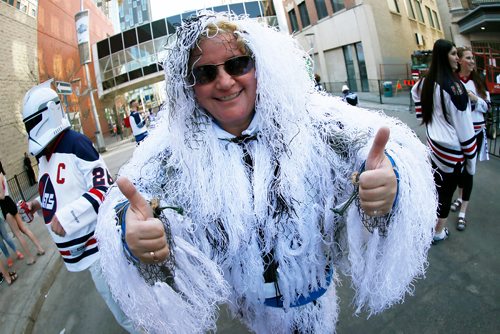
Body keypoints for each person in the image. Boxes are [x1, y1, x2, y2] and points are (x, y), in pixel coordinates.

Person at [96, 12, 436, 333]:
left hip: (316, 302)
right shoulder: (175, 153)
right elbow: (134, 201)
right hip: (251, 311)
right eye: (205, 73)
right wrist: (136, 236)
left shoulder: (310, 120)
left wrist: (390, 180)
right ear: (189, 87)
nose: (225, 81)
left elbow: (380, 148)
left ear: (259, 65)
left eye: (238, 64)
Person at [21, 83, 137, 333]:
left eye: (32, 123)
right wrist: (37, 205)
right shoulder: (44, 157)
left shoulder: (76, 143)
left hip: (101, 250)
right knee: (122, 311)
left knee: (129, 312)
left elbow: (103, 188)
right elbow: (59, 194)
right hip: (83, 252)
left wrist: (68, 218)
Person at [420, 39, 477, 243]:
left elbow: (417, 98)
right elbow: (465, 130)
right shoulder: (456, 88)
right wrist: (471, 161)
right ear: (445, 56)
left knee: (435, 189)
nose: (457, 58)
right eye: (454, 54)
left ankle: (429, 225)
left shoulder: (427, 80)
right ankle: (437, 232)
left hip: (433, 146)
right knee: (445, 194)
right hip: (451, 153)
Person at [449, 46, 491, 231]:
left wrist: (474, 98)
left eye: (473, 58)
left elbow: (487, 107)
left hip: (476, 133)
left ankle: (463, 212)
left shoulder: (478, 82)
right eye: (468, 58)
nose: (473, 61)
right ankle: (459, 197)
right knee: (459, 170)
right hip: (458, 134)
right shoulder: (452, 81)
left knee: (470, 171)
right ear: (459, 60)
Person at [0, 161, 42, 265]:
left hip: (5, 205)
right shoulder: (2, 174)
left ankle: (31, 258)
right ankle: (40, 248)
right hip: (9, 202)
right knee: (23, 229)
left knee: (18, 234)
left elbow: (1, 196)